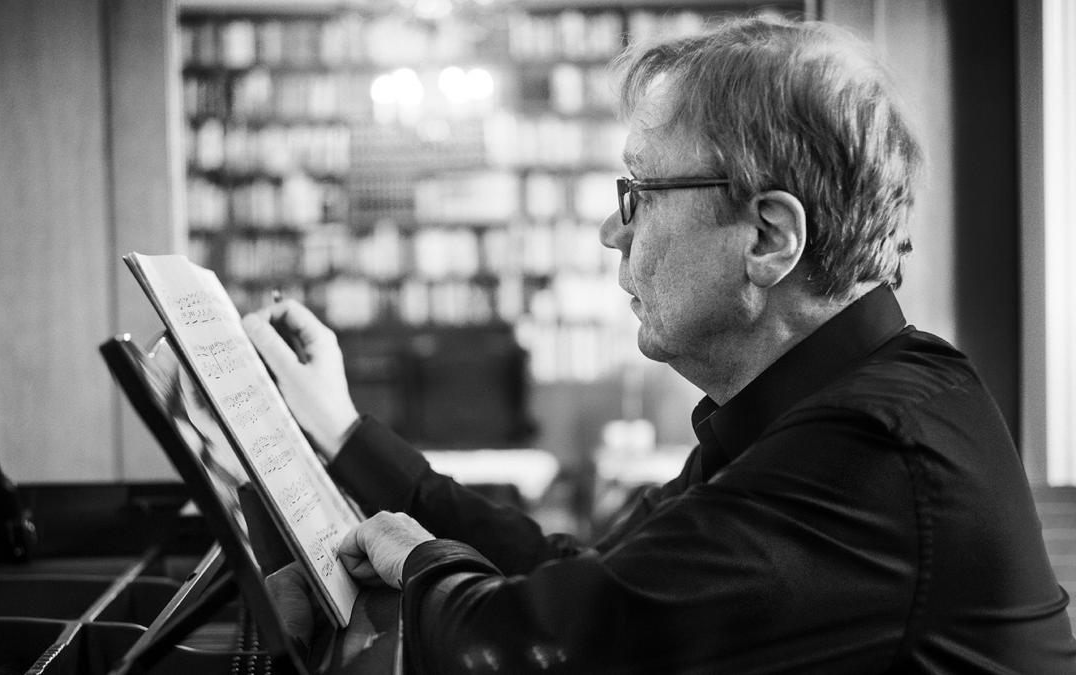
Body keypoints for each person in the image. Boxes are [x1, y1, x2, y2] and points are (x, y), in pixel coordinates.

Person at [242, 16, 1076, 674]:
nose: (612, 231)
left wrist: (420, 565)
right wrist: (345, 430)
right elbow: (588, 577)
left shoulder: (868, 451)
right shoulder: (819, 405)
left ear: (768, 236)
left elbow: (541, 653)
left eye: (639, 192)